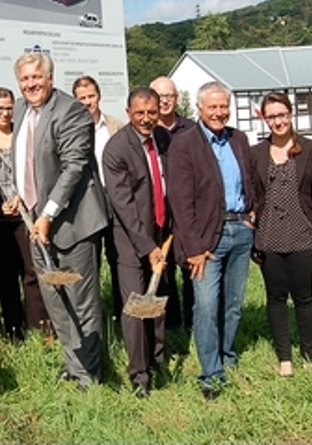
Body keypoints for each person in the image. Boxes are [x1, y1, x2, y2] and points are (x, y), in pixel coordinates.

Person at [13, 52, 109, 390]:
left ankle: (90, 374)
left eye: (36, 78)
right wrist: (21, 198)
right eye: (25, 79)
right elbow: (27, 161)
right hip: (36, 225)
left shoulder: (72, 112)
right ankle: (73, 363)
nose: (31, 85)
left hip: (73, 224)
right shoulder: (21, 109)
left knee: (81, 301)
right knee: (55, 300)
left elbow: (73, 168)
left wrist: (47, 213)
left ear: (50, 78)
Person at [167, 81, 256, 399]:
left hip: (241, 231)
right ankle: (211, 373)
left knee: (232, 304)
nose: (219, 112)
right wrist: (193, 247)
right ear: (200, 109)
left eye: (223, 106)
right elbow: (180, 201)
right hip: (205, 239)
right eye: (213, 107)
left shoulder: (239, 139)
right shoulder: (185, 144)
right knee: (205, 306)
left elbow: (247, 178)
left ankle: (227, 356)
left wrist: (252, 210)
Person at [249, 92, 312, 377]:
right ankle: (285, 356)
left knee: (304, 297)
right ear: (264, 118)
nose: (278, 121)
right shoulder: (255, 153)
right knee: (276, 297)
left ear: (290, 114)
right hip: (269, 235)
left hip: (303, 233)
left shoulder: (310, 149)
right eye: (271, 116)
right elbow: (252, 195)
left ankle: (309, 353)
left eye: (282, 115)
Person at [102, 87, 172, 398]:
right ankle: (139, 373)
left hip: (161, 231)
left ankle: (157, 357)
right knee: (135, 305)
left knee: (156, 298)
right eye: (140, 113)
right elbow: (124, 205)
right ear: (129, 113)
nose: (146, 119)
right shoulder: (116, 149)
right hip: (131, 238)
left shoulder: (164, 139)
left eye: (152, 112)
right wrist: (148, 246)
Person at [0, 87, 50, 340]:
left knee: (32, 272)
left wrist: (24, 198)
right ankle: (14, 331)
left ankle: (39, 329)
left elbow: (38, 172)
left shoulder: (25, 136)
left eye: (9, 108)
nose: (4, 113)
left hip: (26, 217)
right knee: (6, 277)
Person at [72, 74, 123, 317]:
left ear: (99, 96)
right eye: (81, 98)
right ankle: (94, 317)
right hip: (86, 204)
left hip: (114, 200)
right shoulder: (70, 129)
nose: (87, 102)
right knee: (90, 263)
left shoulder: (116, 127)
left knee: (118, 258)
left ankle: (122, 311)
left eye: (90, 96)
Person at [149, 75, 194, 328]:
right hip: (158, 212)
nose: (164, 101)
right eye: (160, 96)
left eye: (169, 96)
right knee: (164, 270)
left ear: (176, 99)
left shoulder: (192, 129)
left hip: (186, 212)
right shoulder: (146, 129)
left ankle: (193, 319)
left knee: (189, 267)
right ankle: (170, 322)